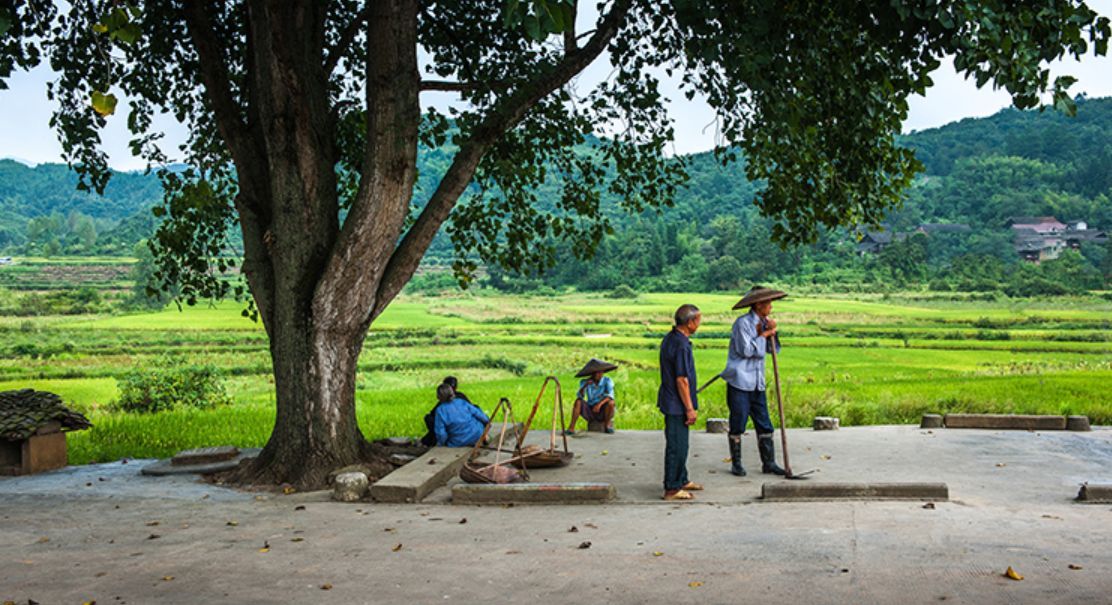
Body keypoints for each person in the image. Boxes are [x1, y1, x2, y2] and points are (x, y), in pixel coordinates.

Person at [721, 285, 787, 477]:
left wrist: (772, 333)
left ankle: (769, 463)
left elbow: (772, 349)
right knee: (738, 422)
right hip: (740, 381)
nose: (771, 308)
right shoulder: (742, 324)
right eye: (768, 304)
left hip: (757, 381)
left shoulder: (766, 322)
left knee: (764, 422)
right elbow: (746, 351)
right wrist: (764, 335)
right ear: (758, 304)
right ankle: (737, 463)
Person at [657, 304, 704, 501]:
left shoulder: (671, 338)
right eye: (699, 320)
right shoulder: (682, 345)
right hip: (676, 403)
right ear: (690, 322)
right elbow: (681, 380)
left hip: (671, 400)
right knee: (677, 446)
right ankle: (672, 488)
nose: (700, 324)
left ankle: (682, 479)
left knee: (681, 443)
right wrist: (689, 408)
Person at [421, 376, 480, 446]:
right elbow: (478, 413)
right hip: (470, 431)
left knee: (430, 419)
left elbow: (438, 428)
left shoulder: (441, 408)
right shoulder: (461, 399)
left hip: (454, 433)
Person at [564, 358, 618, 434]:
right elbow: (580, 396)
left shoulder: (607, 381)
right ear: (592, 374)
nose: (599, 375)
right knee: (578, 402)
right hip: (590, 409)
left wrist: (599, 405)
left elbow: (610, 396)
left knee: (611, 403)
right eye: (597, 373)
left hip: (602, 408)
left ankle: (607, 425)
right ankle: (571, 428)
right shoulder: (585, 382)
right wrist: (585, 386)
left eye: (601, 373)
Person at [433, 382, 490, 447]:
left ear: (438, 397)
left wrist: (441, 443)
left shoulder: (440, 411)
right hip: (477, 435)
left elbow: (441, 434)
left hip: (458, 441)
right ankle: (484, 437)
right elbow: (480, 416)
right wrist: (487, 422)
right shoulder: (461, 402)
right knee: (477, 413)